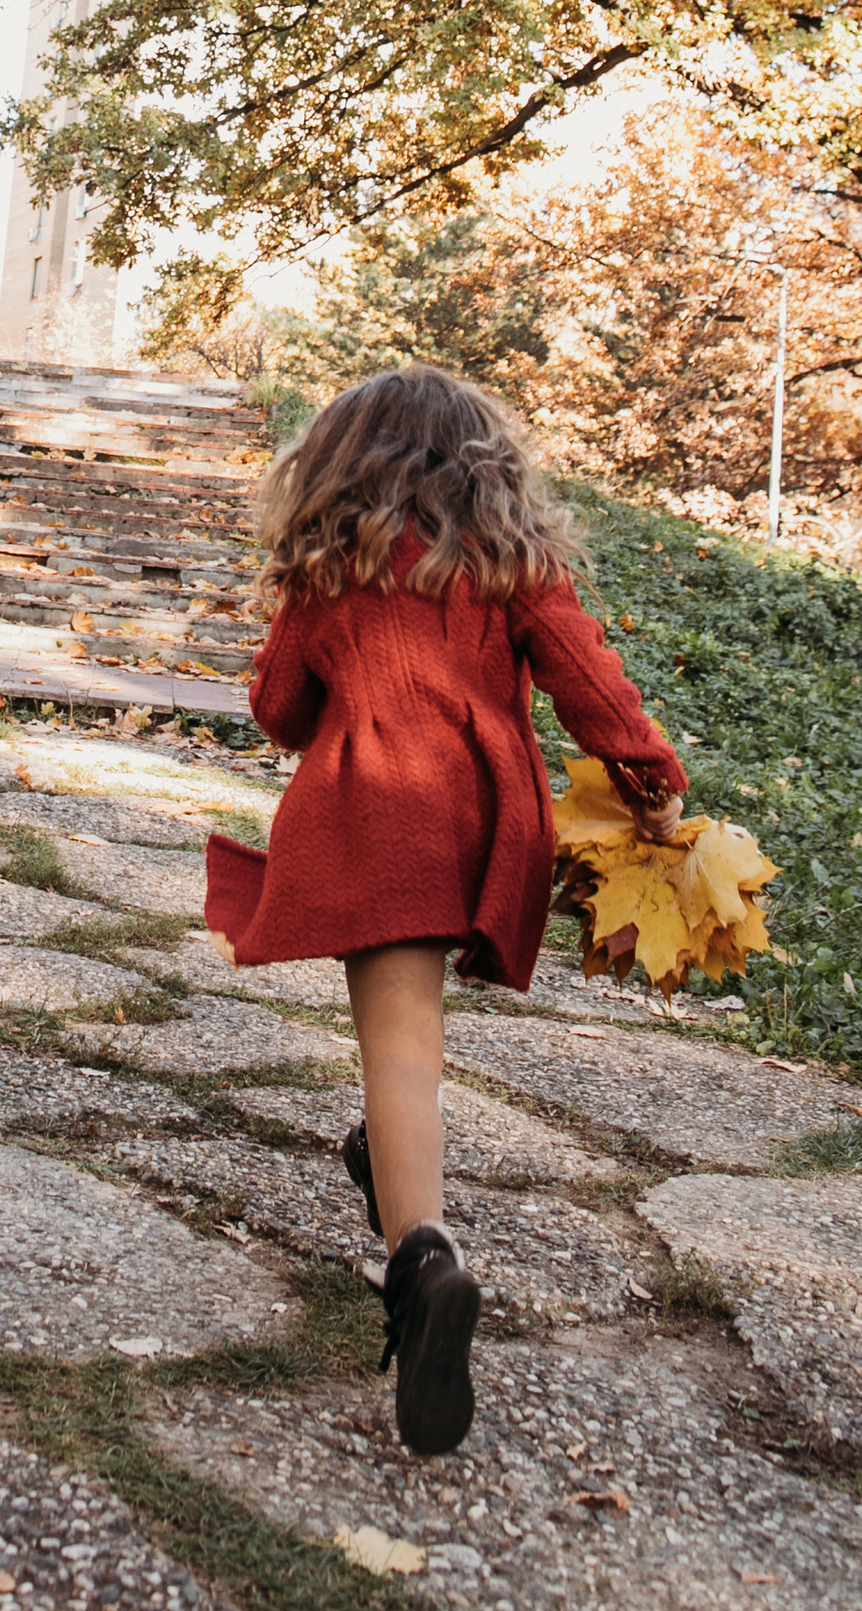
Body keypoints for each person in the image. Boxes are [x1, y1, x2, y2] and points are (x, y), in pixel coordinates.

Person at [205, 367, 685, 1457]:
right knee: (412, 1050)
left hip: (379, 813)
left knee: (401, 1051)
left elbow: (279, 711)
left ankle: (419, 1259)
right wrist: (649, 778)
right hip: (479, 818)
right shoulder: (514, 563)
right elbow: (589, 681)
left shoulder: (332, 570)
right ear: (489, 473)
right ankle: (385, 1171)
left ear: (336, 467)